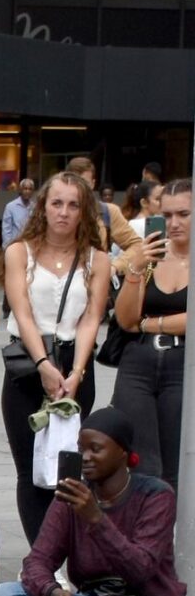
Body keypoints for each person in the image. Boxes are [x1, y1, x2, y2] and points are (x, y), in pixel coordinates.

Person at [0, 407, 195, 596]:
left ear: (122, 452)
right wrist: (54, 594)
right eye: (81, 449)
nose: (85, 458)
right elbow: (37, 561)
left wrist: (96, 519)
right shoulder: (72, 496)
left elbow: (140, 569)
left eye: (95, 449)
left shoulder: (156, 495)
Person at [1, 172, 109, 542]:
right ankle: (40, 557)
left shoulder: (96, 258)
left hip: (75, 364)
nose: (64, 212)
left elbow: (92, 317)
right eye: (57, 203)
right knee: (29, 468)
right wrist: (43, 364)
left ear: (84, 211)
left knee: (69, 468)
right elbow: (22, 312)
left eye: (73, 205)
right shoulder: (20, 252)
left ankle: (64, 552)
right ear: (43, 207)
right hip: (28, 364)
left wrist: (77, 371)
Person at [111, 178, 190, 487]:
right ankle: (146, 519)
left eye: (183, 214)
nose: (174, 223)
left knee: (177, 464)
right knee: (139, 463)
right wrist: (136, 267)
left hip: (184, 363)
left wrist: (150, 324)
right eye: (166, 215)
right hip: (139, 362)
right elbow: (126, 319)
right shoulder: (152, 257)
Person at [65, 156, 142, 280]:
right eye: (74, 183)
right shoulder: (55, 213)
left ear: (93, 183)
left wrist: (114, 267)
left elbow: (137, 246)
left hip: (95, 284)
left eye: (84, 183)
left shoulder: (108, 212)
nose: (79, 189)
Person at [0, 177, 36, 249]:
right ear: (20, 190)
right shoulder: (11, 206)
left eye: (30, 189)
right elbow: (6, 229)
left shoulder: (35, 207)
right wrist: (7, 247)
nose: (27, 191)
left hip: (30, 246)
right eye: (25, 189)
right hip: (15, 245)